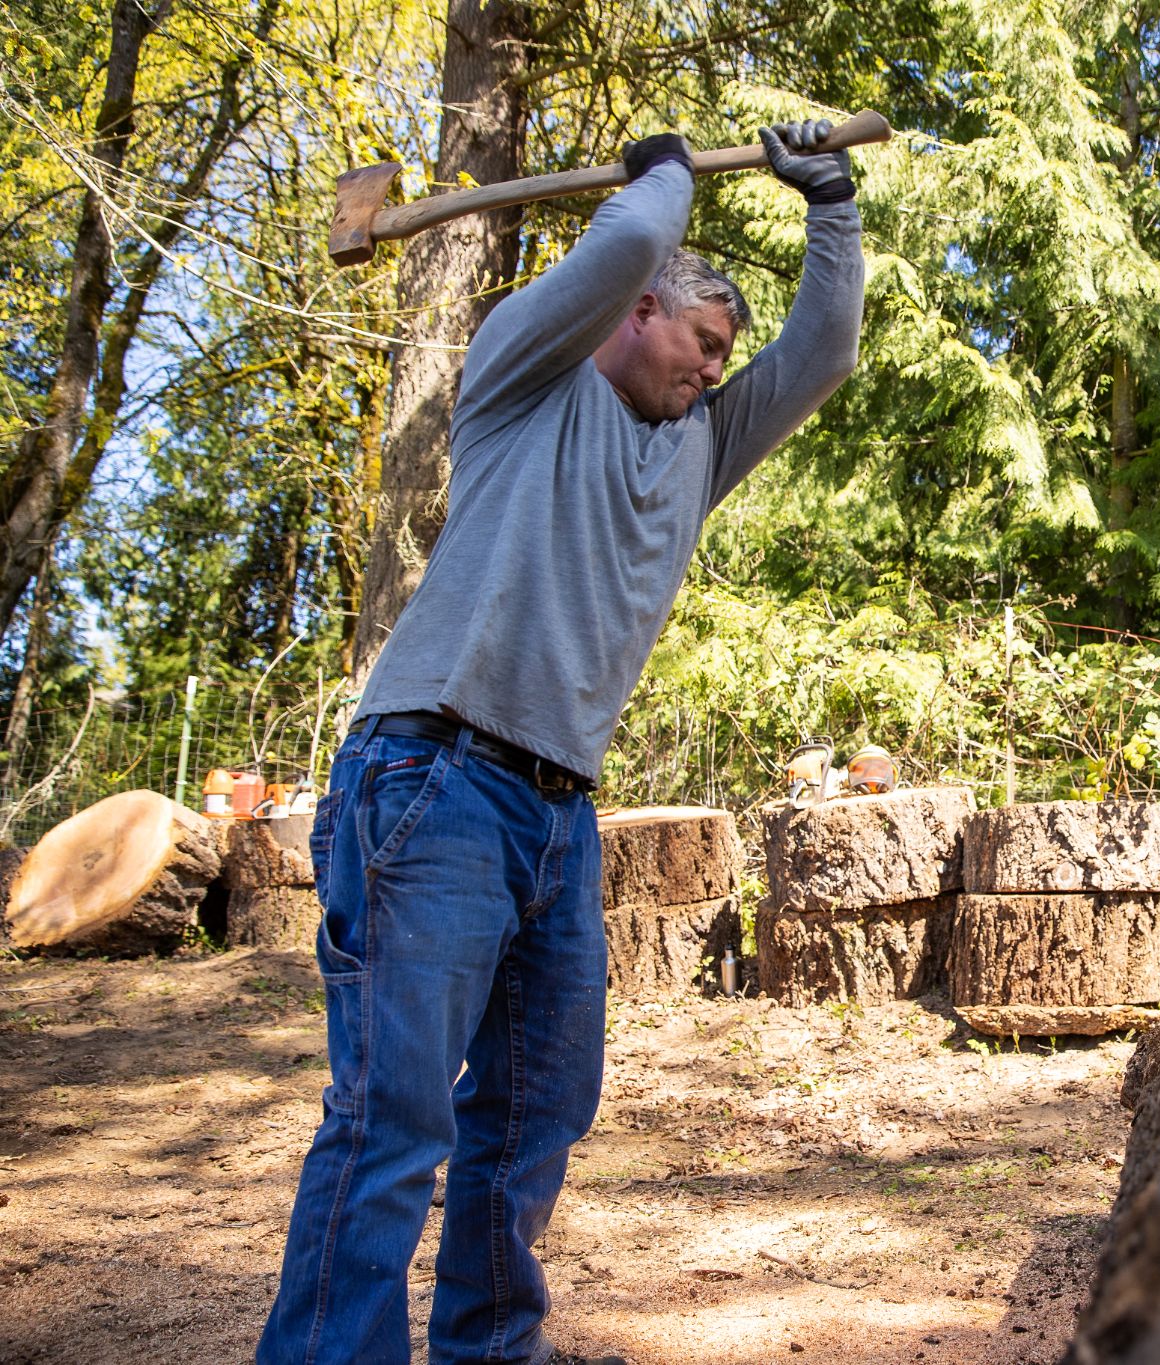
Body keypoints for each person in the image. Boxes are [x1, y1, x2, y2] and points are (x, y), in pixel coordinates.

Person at [257, 118, 864, 1365]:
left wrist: (832, 206)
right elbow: (635, 231)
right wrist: (665, 171)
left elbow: (826, 349)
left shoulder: (698, 450)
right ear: (638, 312)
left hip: (555, 813)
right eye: (701, 346)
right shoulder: (521, 373)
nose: (712, 375)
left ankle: (490, 1349)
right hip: (432, 778)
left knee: (536, 1113)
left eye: (720, 362)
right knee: (394, 1121)